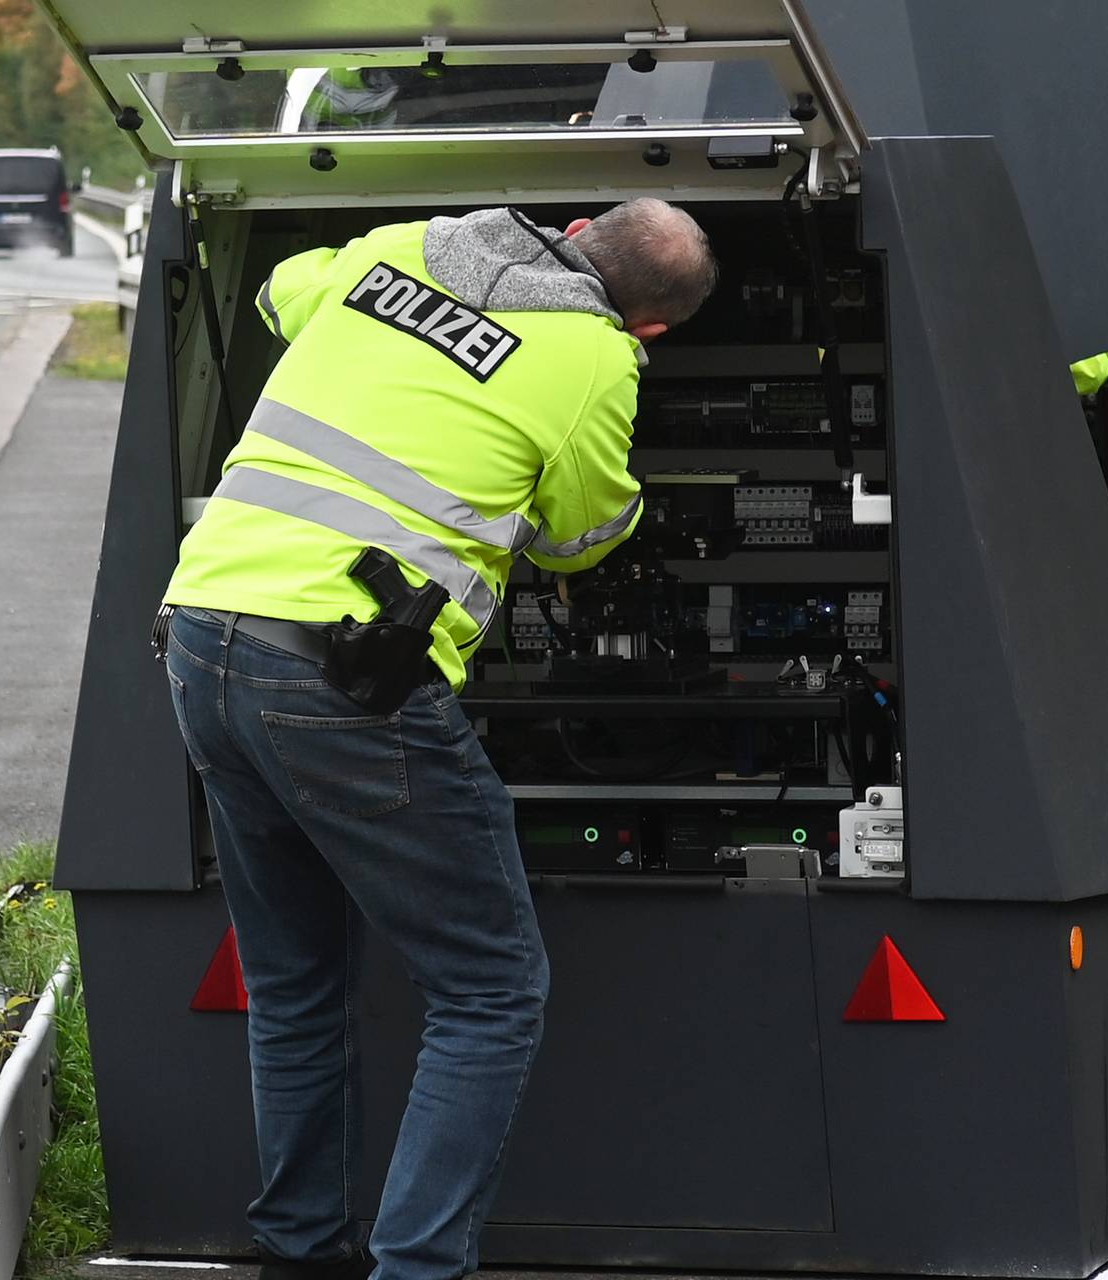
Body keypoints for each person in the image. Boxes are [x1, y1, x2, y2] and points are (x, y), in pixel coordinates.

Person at [156, 199, 717, 1280]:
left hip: (203, 629)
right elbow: (579, 534)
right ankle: (416, 1269)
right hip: (339, 676)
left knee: (295, 982)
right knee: (490, 988)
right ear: (651, 329)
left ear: (581, 220)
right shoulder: (599, 356)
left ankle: (300, 1250)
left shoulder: (411, 242)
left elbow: (276, 294)